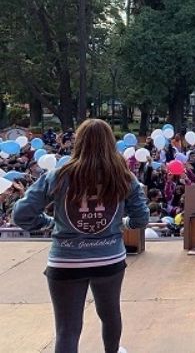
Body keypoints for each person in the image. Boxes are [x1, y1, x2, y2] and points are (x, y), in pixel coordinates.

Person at [12, 119, 149, 353]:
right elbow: (141, 219)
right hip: (108, 258)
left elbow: (21, 215)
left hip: (64, 260)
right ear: (110, 144)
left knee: (67, 329)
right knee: (110, 314)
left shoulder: (57, 176)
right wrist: (121, 224)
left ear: (79, 143)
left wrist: (49, 223)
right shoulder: (124, 178)